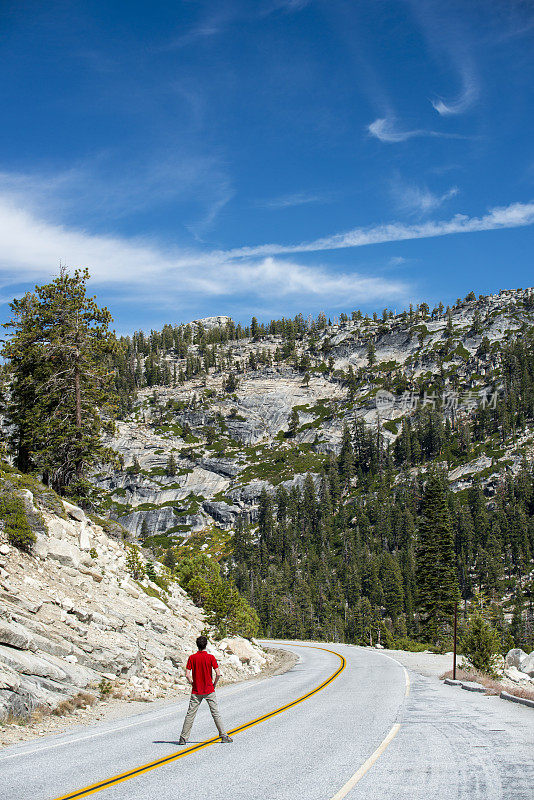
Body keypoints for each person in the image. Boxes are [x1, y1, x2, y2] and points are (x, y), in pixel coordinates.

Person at [178, 635, 233, 744]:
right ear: (206, 645)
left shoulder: (192, 658)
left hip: (196, 690)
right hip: (209, 689)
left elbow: (187, 674)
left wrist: (192, 683)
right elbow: (218, 673)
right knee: (215, 713)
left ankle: (183, 738)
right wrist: (214, 684)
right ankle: (223, 735)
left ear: (197, 645)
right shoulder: (210, 657)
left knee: (190, 714)